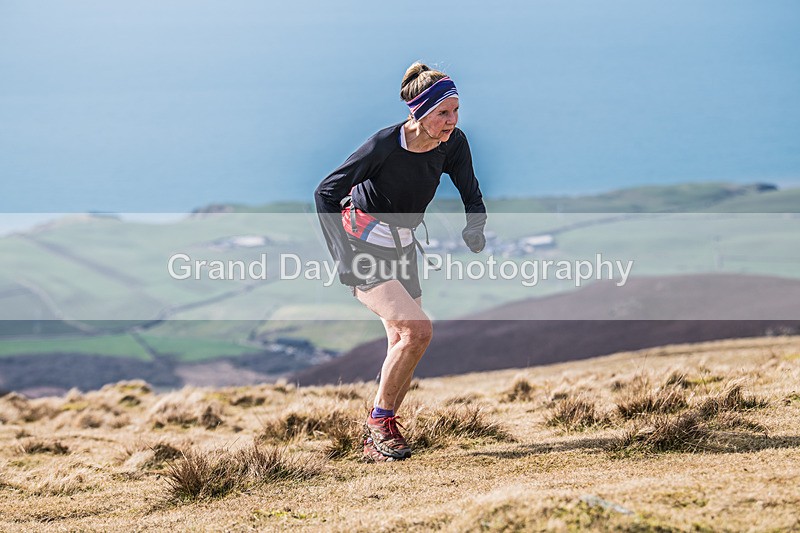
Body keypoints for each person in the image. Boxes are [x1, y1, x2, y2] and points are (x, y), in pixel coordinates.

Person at [314, 62, 487, 462]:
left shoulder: (453, 143)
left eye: (456, 110)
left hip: (404, 248)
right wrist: (344, 259)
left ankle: (379, 430)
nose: (452, 121)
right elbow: (325, 193)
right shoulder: (384, 147)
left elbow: (470, 189)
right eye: (443, 112)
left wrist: (474, 226)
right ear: (418, 111)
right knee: (417, 331)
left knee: (402, 340)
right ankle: (380, 423)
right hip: (362, 247)